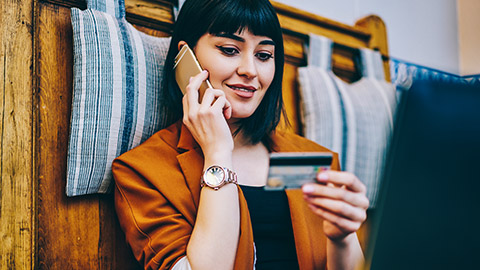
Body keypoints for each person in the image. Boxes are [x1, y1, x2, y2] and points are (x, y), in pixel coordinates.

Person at [112, 0, 369, 269]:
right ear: (186, 56)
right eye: (229, 50)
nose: (250, 70)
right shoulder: (144, 171)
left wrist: (342, 239)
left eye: (264, 55)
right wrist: (218, 152)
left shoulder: (307, 160)